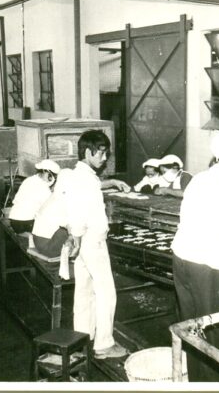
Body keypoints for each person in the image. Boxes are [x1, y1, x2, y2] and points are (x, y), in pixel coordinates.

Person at [171, 128, 219, 382]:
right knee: (217, 335)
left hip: (181, 259)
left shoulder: (197, 180)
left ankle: (196, 382)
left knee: (192, 328)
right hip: (209, 269)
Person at [65, 129, 131, 359]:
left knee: (83, 292)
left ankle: (81, 339)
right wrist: (79, 234)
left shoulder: (79, 175)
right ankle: (104, 344)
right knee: (106, 292)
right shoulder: (86, 179)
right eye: (101, 153)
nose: (105, 158)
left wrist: (111, 181)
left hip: (82, 242)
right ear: (87, 152)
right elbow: (82, 211)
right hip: (92, 240)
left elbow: (90, 188)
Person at [9, 159, 60, 234]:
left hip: (14, 221)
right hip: (26, 223)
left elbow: (16, 200)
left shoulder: (29, 180)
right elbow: (51, 208)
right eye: (53, 176)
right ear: (48, 173)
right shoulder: (43, 187)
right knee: (56, 229)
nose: (53, 179)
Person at [32, 168, 73, 258]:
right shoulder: (62, 197)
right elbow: (68, 223)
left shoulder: (56, 194)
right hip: (47, 245)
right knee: (77, 231)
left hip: (39, 241)